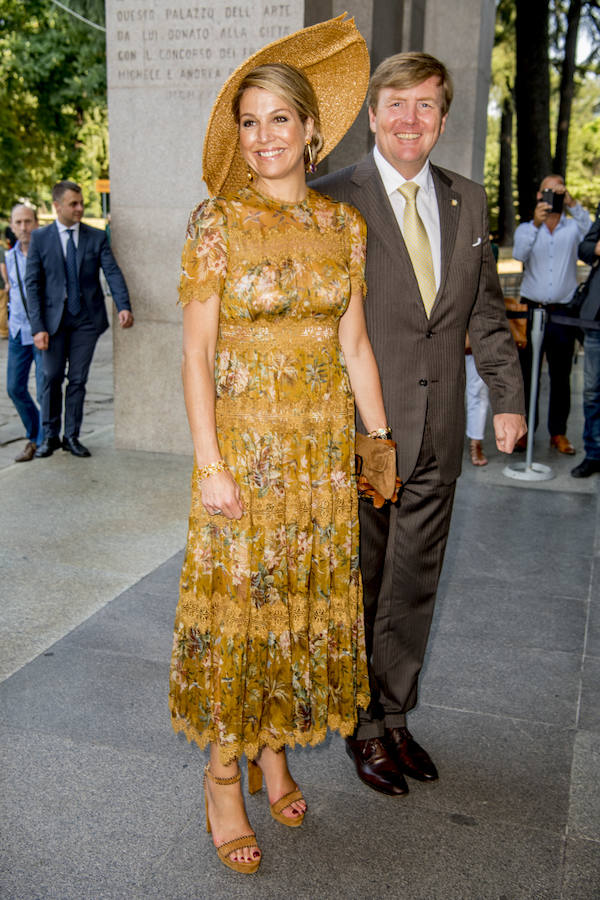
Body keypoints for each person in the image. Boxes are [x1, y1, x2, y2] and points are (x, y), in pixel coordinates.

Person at [168, 17, 385, 874]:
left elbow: (355, 344)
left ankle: (273, 749)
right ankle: (225, 774)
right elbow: (195, 355)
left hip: (318, 462)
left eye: (279, 119)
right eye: (249, 122)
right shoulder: (216, 223)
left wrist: (377, 442)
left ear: (310, 129)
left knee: (294, 606)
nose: (263, 137)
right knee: (242, 616)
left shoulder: (344, 227)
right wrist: (210, 465)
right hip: (245, 459)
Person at [312, 52, 526, 796]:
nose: (411, 119)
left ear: (443, 117)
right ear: (372, 115)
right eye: (397, 104)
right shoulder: (331, 198)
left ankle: (394, 713)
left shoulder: (468, 199)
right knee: (365, 582)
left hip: (438, 435)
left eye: (426, 105)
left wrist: (507, 395)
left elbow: (484, 314)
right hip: (365, 434)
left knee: (414, 583)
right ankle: (362, 724)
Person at [25, 181, 133, 458]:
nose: (80, 208)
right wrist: (38, 327)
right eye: (73, 204)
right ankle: (50, 436)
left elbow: (111, 271)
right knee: (51, 377)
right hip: (53, 323)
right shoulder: (40, 238)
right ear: (57, 206)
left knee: (77, 379)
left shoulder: (95, 237)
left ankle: (71, 436)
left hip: (86, 320)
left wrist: (123, 305)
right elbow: (32, 285)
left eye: (81, 203)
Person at [513, 175, 591, 454]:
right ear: (538, 196)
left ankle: (558, 433)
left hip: (562, 313)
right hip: (531, 310)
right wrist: (536, 224)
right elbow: (519, 254)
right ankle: (523, 432)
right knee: (526, 374)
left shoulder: (573, 228)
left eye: (557, 191)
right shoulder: (526, 228)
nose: (552, 195)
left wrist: (573, 203)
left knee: (561, 375)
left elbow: (592, 235)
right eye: (547, 191)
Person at [5, 204, 44, 461]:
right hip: (17, 331)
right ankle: (38, 433)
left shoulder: (46, 253)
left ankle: (39, 440)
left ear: (36, 223)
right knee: (14, 388)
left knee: (44, 391)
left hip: (41, 332)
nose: (23, 227)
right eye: (18, 222)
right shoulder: (9, 257)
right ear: (12, 225)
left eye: (28, 221)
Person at [571, 203, 600, 478]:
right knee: (592, 391)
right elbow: (585, 249)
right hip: (596, 321)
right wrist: (597, 248)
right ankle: (593, 453)